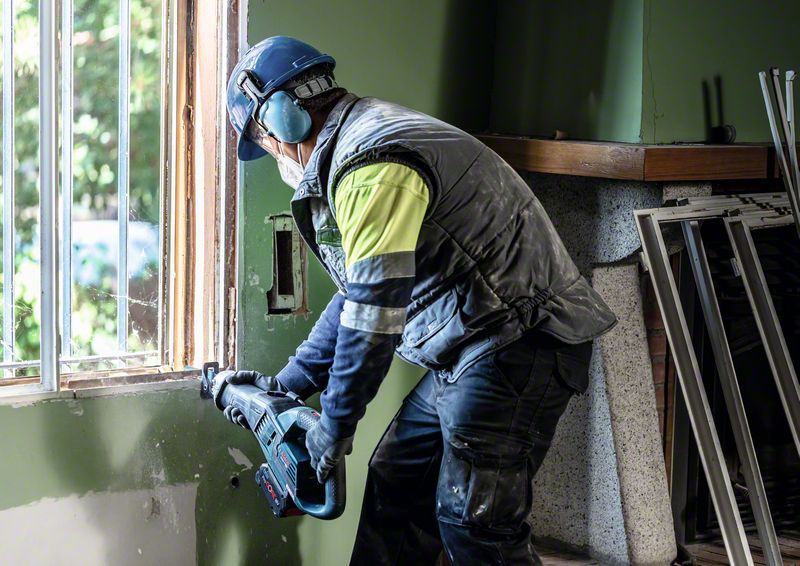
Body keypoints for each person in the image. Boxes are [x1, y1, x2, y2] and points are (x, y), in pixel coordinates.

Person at [222, 36, 616, 566]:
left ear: (282, 119)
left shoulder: (371, 164)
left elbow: (372, 314)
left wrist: (335, 426)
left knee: (475, 524)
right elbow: (355, 295)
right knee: (396, 488)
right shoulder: (359, 146)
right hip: (473, 344)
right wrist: (289, 385)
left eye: (265, 141)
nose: (273, 154)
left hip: (517, 338)